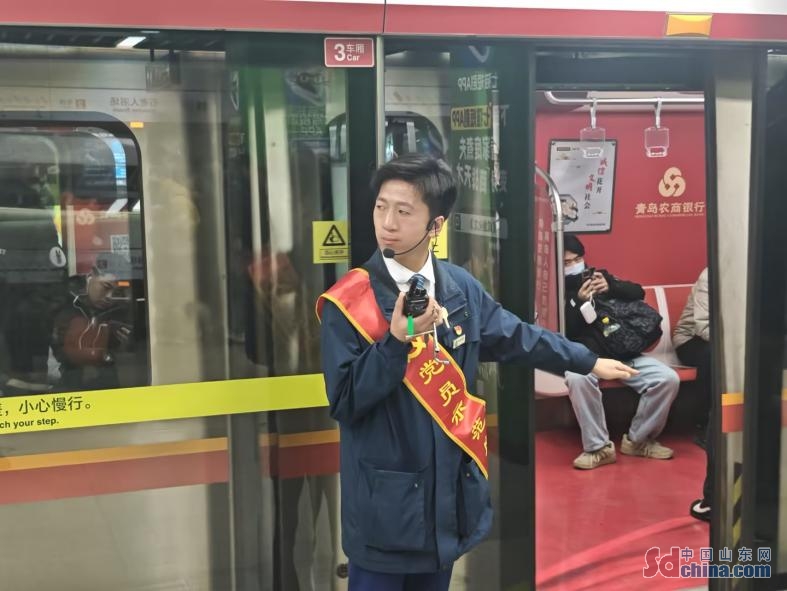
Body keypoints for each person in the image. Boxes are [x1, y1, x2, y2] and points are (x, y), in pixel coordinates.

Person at [316, 154, 637, 590]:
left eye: (403, 211)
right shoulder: (348, 303)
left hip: (446, 504)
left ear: (436, 225)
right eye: (380, 206)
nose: (387, 222)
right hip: (384, 510)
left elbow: (518, 335)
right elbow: (345, 401)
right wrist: (394, 342)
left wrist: (585, 359)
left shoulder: (459, 288)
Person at [562, 234, 680, 470]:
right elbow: (568, 331)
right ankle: (598, 448)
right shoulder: (557, 290)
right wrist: (577, 302)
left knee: (667, 379)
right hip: (588, 357)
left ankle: (638, 440)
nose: (574, 265)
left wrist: (611, 285)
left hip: (622, 352)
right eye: (567, 262)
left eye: (578, 259)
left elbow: (637, 292)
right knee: (577, 378)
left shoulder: (598, 278)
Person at [673, 268, 712, 522]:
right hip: (692, 339)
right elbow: (703, 326)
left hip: (737, 336)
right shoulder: (712, 275)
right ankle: (704, 423)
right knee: (715, 356)